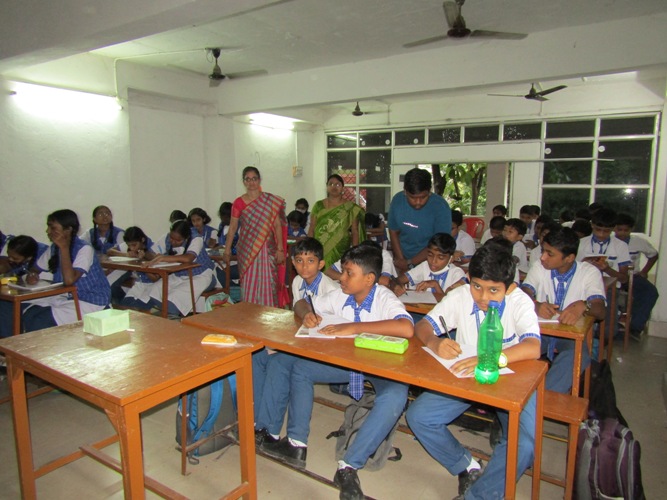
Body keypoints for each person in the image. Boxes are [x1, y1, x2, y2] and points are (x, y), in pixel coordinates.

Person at [262, 244, 414, 500]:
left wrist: (354, 327)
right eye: (342, 271)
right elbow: (302, 302)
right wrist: (307, 314)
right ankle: (296, 444)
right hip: (349, 363)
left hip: (381, 365)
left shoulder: (384, 297)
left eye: (348, 273)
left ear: (369, 279)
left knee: (396, 395)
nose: (341, 278)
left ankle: (349, 466)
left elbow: (406, 328)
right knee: (301, 369)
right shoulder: (341, 295)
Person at [406, 244, 541, 500]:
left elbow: (533, 347)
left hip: (512, 379)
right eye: (477, 286)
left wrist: (489, 359)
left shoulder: (520, 301)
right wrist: (434, 342)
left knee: (523, 445)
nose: (482, 297)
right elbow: (423, 325)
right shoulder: (460, 296)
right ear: (468, 278)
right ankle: (466, 465)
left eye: (493, 290)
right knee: (419, 417)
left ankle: (479, 496)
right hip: (466, 377)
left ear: (510, 287)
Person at [254, 238, 339, 445]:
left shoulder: (330, 289)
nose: (304, 266)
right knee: (257, 355)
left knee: (277, 362)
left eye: (311, 261)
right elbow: (297, 316)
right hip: (303, 338)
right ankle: (257, 419)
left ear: (321, 264)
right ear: (292, 262)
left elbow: (331, 329)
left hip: (325, 344)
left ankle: (268, 427)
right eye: (299, 261)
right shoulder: (297, 282)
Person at [0, 210, 110, 338]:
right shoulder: (53, 248)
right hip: (64, 296)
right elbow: (35, 269)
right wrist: (32, 275)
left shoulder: (84, 249)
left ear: (68, 230)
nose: (47, 231)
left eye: (52, 228)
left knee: (39, 321)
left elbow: (69, 280)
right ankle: (8, 346)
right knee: (10, 306)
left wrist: (63, 248)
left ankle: (26, 347)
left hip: (89, 300)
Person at [521, 227, 606, 393]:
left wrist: (585, 305)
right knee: (514, 346)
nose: (543, 257)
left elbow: (600, 310)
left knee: (577, 356)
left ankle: (541, 398)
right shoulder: (540, 267)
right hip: (540, 331)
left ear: (569, 258)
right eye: (543, 251)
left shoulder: (589, 272)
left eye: (550, 254)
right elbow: (524, 293)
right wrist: (535, 305)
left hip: (571, 336)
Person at [121, 220, 215, 316]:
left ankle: (172, 318)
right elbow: (152, 253)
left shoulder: (196, 238)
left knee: (173, 300)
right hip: (178, 275)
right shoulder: (167, 237)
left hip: (199, 275)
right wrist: (144, 254)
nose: (173, 242)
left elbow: (188, 258)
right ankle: (167, 316)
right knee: (155, 291)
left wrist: (163, 258)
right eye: (171, 238)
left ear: (186, 238)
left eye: (178, 240)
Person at [224, 166, 288, 307]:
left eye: (254, 179)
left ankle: (269, 312)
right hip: (247, 250)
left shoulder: (269, 201)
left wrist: (280, 249)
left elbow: (277, 225)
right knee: (249, 283)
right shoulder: (239, 203)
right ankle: (249, 312)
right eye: (248, 179)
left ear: (259, 180)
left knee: (268, 282)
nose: (251, 182)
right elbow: (233, 227)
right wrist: (227, 250)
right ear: (244, 182)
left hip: (267, 248)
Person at [576, 208, 630, 343]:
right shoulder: (581, 243)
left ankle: (599, 344)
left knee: (607, 330)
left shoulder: (621, 246)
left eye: (606, 231)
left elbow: (624, 278)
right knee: (581, 322)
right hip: (583, 287)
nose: (601, 234)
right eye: (598, 230)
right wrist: (583, 264)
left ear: (613, 229)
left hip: (610, 289)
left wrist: (607, 269)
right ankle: (587, 343)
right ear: (592, 225)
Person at [388, 167, 452, 274]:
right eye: (412, 197)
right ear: (405, 192)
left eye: (423, 197)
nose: (418, 202)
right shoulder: (397, 201)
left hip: (431, 261)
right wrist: (401, 260)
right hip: (403, 257)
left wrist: (410, 263)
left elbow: (439, 244)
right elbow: (393, 231)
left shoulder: (440, 207)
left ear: (429, 192)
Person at [614, 213, 659, 339]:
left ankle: (635, 328)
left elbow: (653, 255)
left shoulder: (638, 242)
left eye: (626, 230)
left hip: (632, 277)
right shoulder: (610, 241)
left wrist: (644, 271)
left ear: (631, 229)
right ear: (614, 228)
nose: (622, 233)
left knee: (650, 292)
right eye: (619, 229)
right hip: (613, 276)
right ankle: (611, 327)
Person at [308, 174, 365, 268]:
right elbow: (312, 228)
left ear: (343, 188)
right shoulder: (318, 205)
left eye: (337, 184)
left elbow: (355, 231)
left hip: (341, 248)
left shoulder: (350, 207)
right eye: (330, 184)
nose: (334, 187)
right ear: (327, 187)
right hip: (320, 247)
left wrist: (355, 252)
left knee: (340, 272)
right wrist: (310, 248)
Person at [392, 233, 466, 302]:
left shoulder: (457, 274)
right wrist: (397, 285)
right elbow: (398, 280)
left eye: (440, 258)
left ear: (451, 258)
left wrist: (435, 285)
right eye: (430, 255)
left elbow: (451, 303)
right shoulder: (425, 266)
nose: (433, 261)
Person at [326, 239, 397, 288]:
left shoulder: (384, 255)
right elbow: (327, 271)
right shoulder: (356, 255)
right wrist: (345, 277)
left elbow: (384, 281)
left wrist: (354, 279)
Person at [215, 201, 239, 288]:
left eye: (227, 217)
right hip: (225, 260)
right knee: (212, 268)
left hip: (239, 263)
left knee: (221, 272)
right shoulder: (222, 226)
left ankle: (233, 291)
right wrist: (218, 248)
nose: (224, 219)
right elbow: (222, 245)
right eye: (222, 217)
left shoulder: (240, 227)